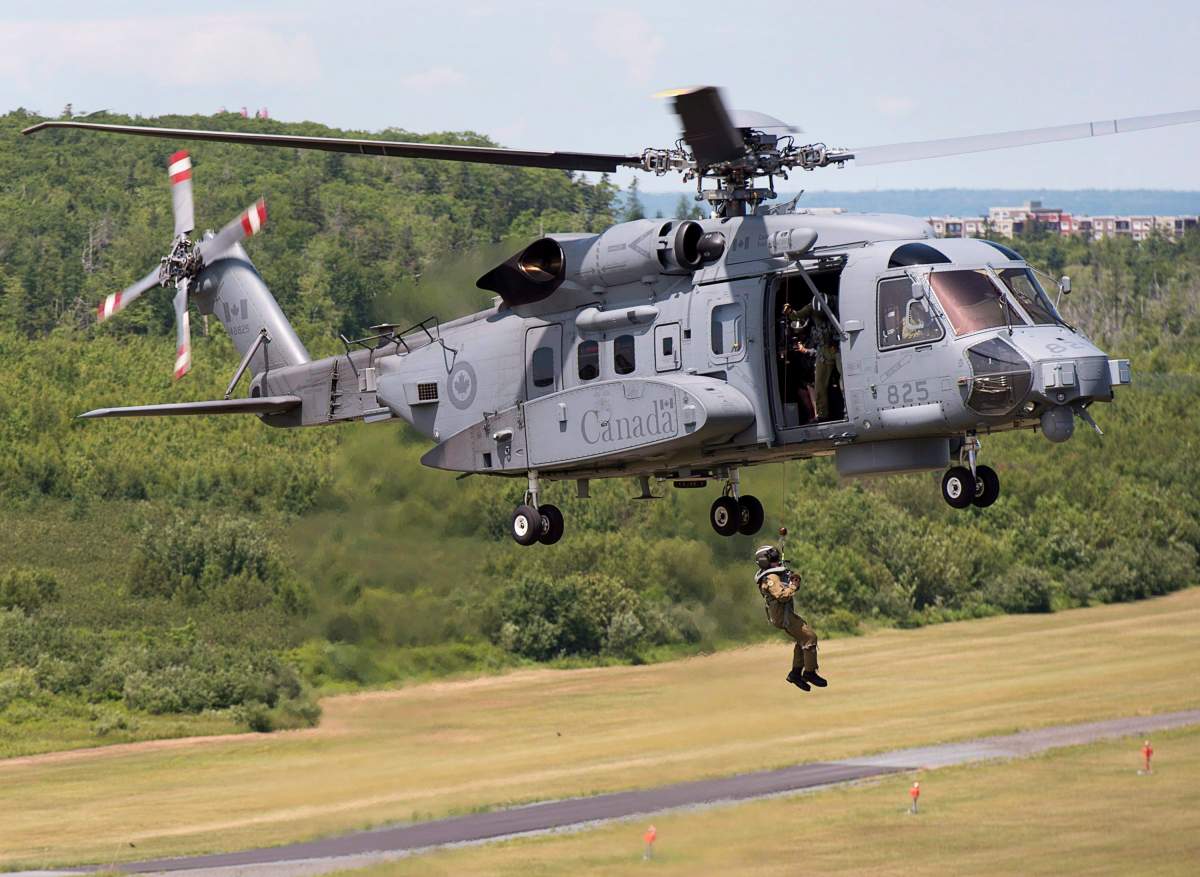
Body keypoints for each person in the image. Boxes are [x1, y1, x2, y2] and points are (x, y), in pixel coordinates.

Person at [754, 544, 827, 691]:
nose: (777, 561)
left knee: (802, 639)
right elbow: (781, 596)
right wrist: (792, 586)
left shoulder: (775, 575)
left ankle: (795, 673)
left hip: (785, 614)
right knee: (810, 637)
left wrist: (792, 580)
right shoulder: (770, 578)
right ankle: (810, 672)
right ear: (765, 562)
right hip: (782, 617)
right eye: (773, 559)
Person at [793, 298, 841, 420]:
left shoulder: (836, 307)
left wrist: (806, 351)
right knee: (818, 386)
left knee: (843, 383)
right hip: (820, 356)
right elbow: (795, 316)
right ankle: (820, 414)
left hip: (835, 350)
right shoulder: (811, 313)